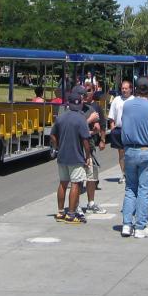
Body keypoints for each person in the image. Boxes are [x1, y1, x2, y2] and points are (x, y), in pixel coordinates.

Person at [120, 77, 148, 238]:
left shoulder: (127, 105)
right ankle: (140, 226)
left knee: (130, 188)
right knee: (145, 190)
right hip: (147, 150)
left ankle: (126, 224)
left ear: (135, 89)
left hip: (129, 151)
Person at [50, 88, 92, 226]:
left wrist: (57, 147)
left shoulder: (60, 118)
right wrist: (88, 156)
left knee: (63, 183)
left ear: (68, 104)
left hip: (62, 156)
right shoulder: (81, 119)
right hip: (76, 156)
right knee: (76, 184)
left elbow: (52, 135)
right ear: (80, 103)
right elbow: (86, 140)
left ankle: (60, 212)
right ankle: (71, 214)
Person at [81, 83, 108, 215]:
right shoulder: (76, 108)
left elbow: (101, 125)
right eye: (83, 92)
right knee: (78, 176)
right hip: (78, 145)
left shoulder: (96, 106)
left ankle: (91, 202)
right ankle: (74, 205)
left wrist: (102, 140)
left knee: (91, 175)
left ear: (94, 91)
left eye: (88, 91)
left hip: (90, 144)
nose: (86, 94)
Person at [107, 79, 132, 177]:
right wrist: (112, 128)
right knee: (121, 153)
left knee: (130, 152)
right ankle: (124, 174)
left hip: (130, 130)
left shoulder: (134, 100)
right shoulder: (116, 99)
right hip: (119, 130)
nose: (124, 90)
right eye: (122, 88)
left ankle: (131, 173)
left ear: (130, 89)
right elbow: (111, 115)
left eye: (126, 88)